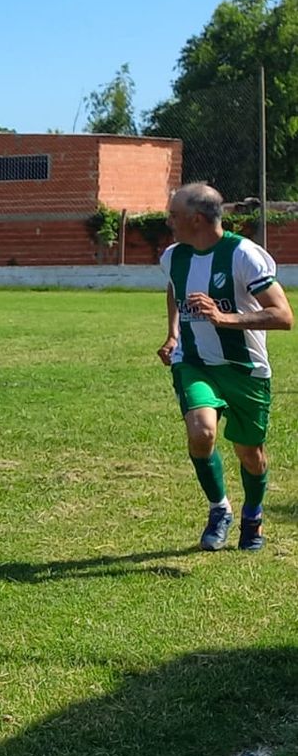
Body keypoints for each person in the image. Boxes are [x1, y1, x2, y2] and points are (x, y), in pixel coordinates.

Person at [158, 182, 292, 551]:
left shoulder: (244, 255)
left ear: (196, 219)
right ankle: (220, 509)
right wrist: (172, 335)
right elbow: (174, 287)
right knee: (201, 435)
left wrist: (223, 318)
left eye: (174, 215)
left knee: (251, 453)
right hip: (195, 363)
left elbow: (283, 316)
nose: (168, 221)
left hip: (244, 369)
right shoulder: (173, 256)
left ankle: (253, 515)